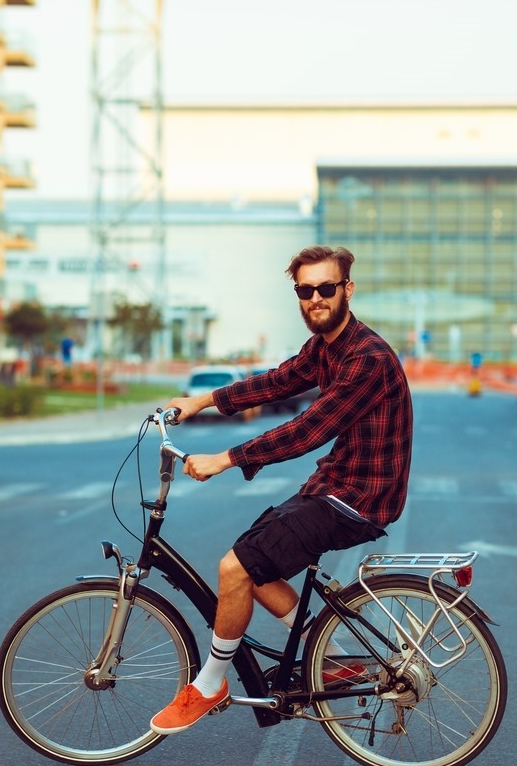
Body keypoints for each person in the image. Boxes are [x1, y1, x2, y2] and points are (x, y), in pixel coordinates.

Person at [150, 245, 414, 735]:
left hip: (357, 499)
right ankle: (330, 659)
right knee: (250, 563)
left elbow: (309, 428)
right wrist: (202, 400)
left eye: (326, 288)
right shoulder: (325, 349)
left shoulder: (367, 358)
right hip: (333, 485)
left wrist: (225, 459)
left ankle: (210, 684)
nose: (315, 298)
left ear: (347, 290)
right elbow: (276, 382)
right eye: (305, 290)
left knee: (235, 566)